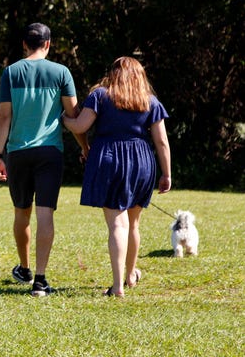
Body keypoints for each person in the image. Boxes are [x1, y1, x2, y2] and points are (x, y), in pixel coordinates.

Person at [62, 56, 171, 297]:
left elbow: (81, 126)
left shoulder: (100, 96)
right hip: (142, 161)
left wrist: (65, 119)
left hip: (109, 158)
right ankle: (130, 275)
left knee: (117, 224)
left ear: (113, 74)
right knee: (133, 223)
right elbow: (161, 141)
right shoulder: (150, 101)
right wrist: (167, 174)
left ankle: (118, 285)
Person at [0, 22, 88, 297]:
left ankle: (23, 267)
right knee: (45, 213)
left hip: (18, 153)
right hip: (50, 153)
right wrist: (85, 146)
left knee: (22, 212)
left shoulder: (11, 72)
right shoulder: (61, 73)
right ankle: (40, 280)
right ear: (48, 44)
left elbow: (4, 116)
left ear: (25, 44)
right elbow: (74, 116)